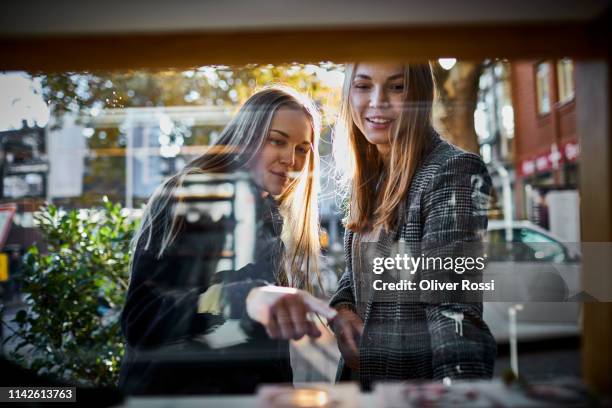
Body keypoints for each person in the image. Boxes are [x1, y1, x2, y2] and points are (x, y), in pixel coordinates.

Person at [119, 86, 335, 395]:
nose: (291, 159)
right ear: (245, 138)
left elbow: (260, 340)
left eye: (302, 148)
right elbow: (144, 319)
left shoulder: (268, 215)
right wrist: (242, 297)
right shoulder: (196, 198)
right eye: (277, 141)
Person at [330, 62, 497, 390]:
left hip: (414, 391)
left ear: (420, 95)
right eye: (363, 86)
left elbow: (453, 309)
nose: (377, 101)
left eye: (396, 87)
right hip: (363, 389)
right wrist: (343, 308)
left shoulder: (452, 171)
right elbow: (360, 271)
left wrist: (461, 395)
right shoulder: (371, 178)